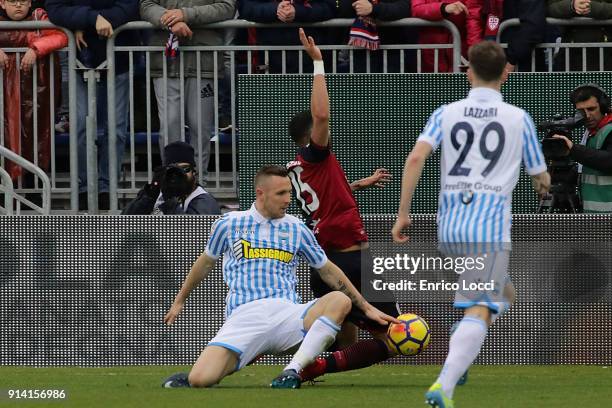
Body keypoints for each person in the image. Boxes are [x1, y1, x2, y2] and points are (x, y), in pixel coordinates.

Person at [391, 41, 550, 407]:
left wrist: (403, 213)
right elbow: (540, 176)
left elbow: (416, 158)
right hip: (488, 227)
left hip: (449, 227)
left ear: (469, 70)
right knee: (482, 306)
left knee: (505, 294)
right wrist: (542, 188)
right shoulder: (517, 118)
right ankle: (443, 386)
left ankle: (461, 336)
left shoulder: (446, 112)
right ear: (506, 72)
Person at [160, 164, 398, 389]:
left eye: (289, 192)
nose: (287, 199)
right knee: (201, 380)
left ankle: (292, 371)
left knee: (339, 300)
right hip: (244, 315)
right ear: (260, 193)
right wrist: (180, 301)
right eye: (281, 193)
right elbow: (205, 263)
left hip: (288, 315)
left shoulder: (296, 227)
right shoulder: (229, 224)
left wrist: (366, 307)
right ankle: (231, 359)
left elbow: (327, 268)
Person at [287, 28, 401, 383]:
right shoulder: (317, 154)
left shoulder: (298, 167)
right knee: (395, 336)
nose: (328, 130)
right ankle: (310, 369)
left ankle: (311, 370)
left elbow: (320, 202)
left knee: (343, 326)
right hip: (351, 259)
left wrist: (355, 185)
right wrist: (319, 64)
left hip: (325, 263)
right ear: (311, 138)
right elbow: (320, 116)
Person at [45, 0, 140, 211]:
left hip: (119, 57)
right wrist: (91, 19)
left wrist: (101, 21)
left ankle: (108, 189)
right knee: (79, 127)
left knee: (115, 129)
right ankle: (83, 188)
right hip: (80, 59)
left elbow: (131, 6)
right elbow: (55, 9)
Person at [139, 0, 236, 182]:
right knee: (170, 124)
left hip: (204, 61)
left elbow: (227, 7)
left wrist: (185, 14)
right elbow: (145, 5)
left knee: (201, 127)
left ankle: (199, 185)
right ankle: (171, 184)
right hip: (166, 61)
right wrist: (171, 20)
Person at [0, 0, 67, 197]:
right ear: (2, 3)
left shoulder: (40, 17)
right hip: (4, 94)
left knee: (35, 138)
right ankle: (6, 193)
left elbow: (61, 36)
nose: (18, 6)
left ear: (30, 3)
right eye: (13, 1)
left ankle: (35, 192)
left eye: (23, 1)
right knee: (5, 137)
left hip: (37, 92)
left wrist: (36, 48)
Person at [551, 84, 612, 213]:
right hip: (595, 216)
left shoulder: (609, 130)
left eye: (591, 109)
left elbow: (609, 161)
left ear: (603, 107)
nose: (587, 115)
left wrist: (573, 149)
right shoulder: (590, 132)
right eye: (581, 111)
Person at [121, 141, 221, 215]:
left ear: (194, 173)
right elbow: (123, 223)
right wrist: (149, 195)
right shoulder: (157, 192)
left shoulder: (204, 201)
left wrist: (170, 203)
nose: (179, 175)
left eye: (185, 169)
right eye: (174, 170)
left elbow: (193, 237)